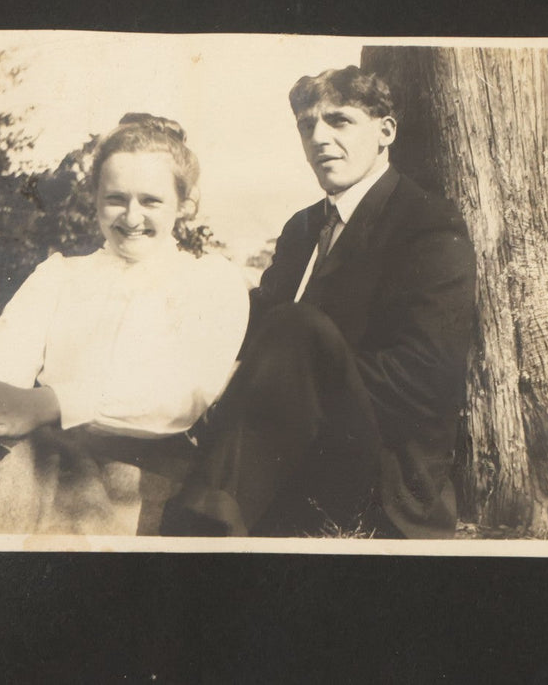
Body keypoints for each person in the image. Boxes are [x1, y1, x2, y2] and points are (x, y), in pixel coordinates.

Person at [160, 66, 477, 539]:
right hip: (292, 453)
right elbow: (252, 328)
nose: (319, 138)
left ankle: (201, 526)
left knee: (296, 327)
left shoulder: (427, 223)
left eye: (339, 121)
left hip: (385, 475)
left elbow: (427, 378)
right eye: (307, 126)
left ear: (385, 130)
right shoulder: (303, 228)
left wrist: (294, 382)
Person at [0, 114, 250, 537]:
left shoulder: (208, 278)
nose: (131, 217)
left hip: (143, 474)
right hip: (44, 449)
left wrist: (50, 403)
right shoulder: (60, 275)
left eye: (150, 201)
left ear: (184, 204)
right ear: (94, 197)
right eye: (116, 199)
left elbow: (183, 395)